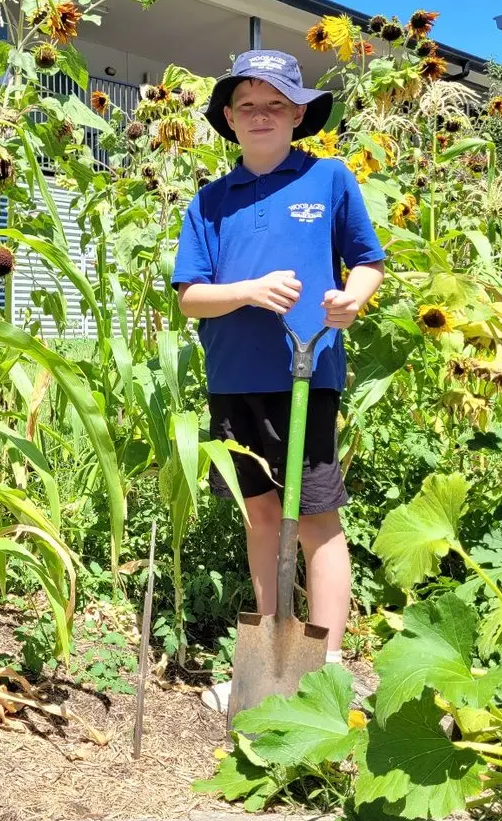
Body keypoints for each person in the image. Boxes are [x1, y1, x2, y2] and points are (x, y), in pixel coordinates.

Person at [171, 49, 385, 713]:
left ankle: (324, 665)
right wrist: (246, 290)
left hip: (307, 373)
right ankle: (266, 661)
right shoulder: (211, 202)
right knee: (262, 513)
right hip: (236, 377)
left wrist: (354, 299)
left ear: (298, 114)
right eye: (247, 106)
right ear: (229, 119)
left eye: (275, 105)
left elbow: (368, 261)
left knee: (318, 518)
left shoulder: (329, 181)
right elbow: (190, 297)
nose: (260, 116)